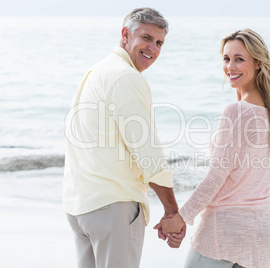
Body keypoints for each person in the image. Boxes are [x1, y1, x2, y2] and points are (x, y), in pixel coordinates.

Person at [154, 29, 270, 268]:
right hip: (263, 234)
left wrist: (181, 218)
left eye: (239, 59)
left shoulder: (238, 111)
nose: (230, 66)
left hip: (226, 233)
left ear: (258, 63)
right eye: (226, 58)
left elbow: (216, 177)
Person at [63, 7, 185, 268]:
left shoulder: (97, 72)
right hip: (112, 207)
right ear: (125, 35)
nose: (153, 48)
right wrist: (172, 211)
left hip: (80, 207)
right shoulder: (125, 77)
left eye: (159, 42)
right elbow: (148, 153)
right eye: (146, 38)